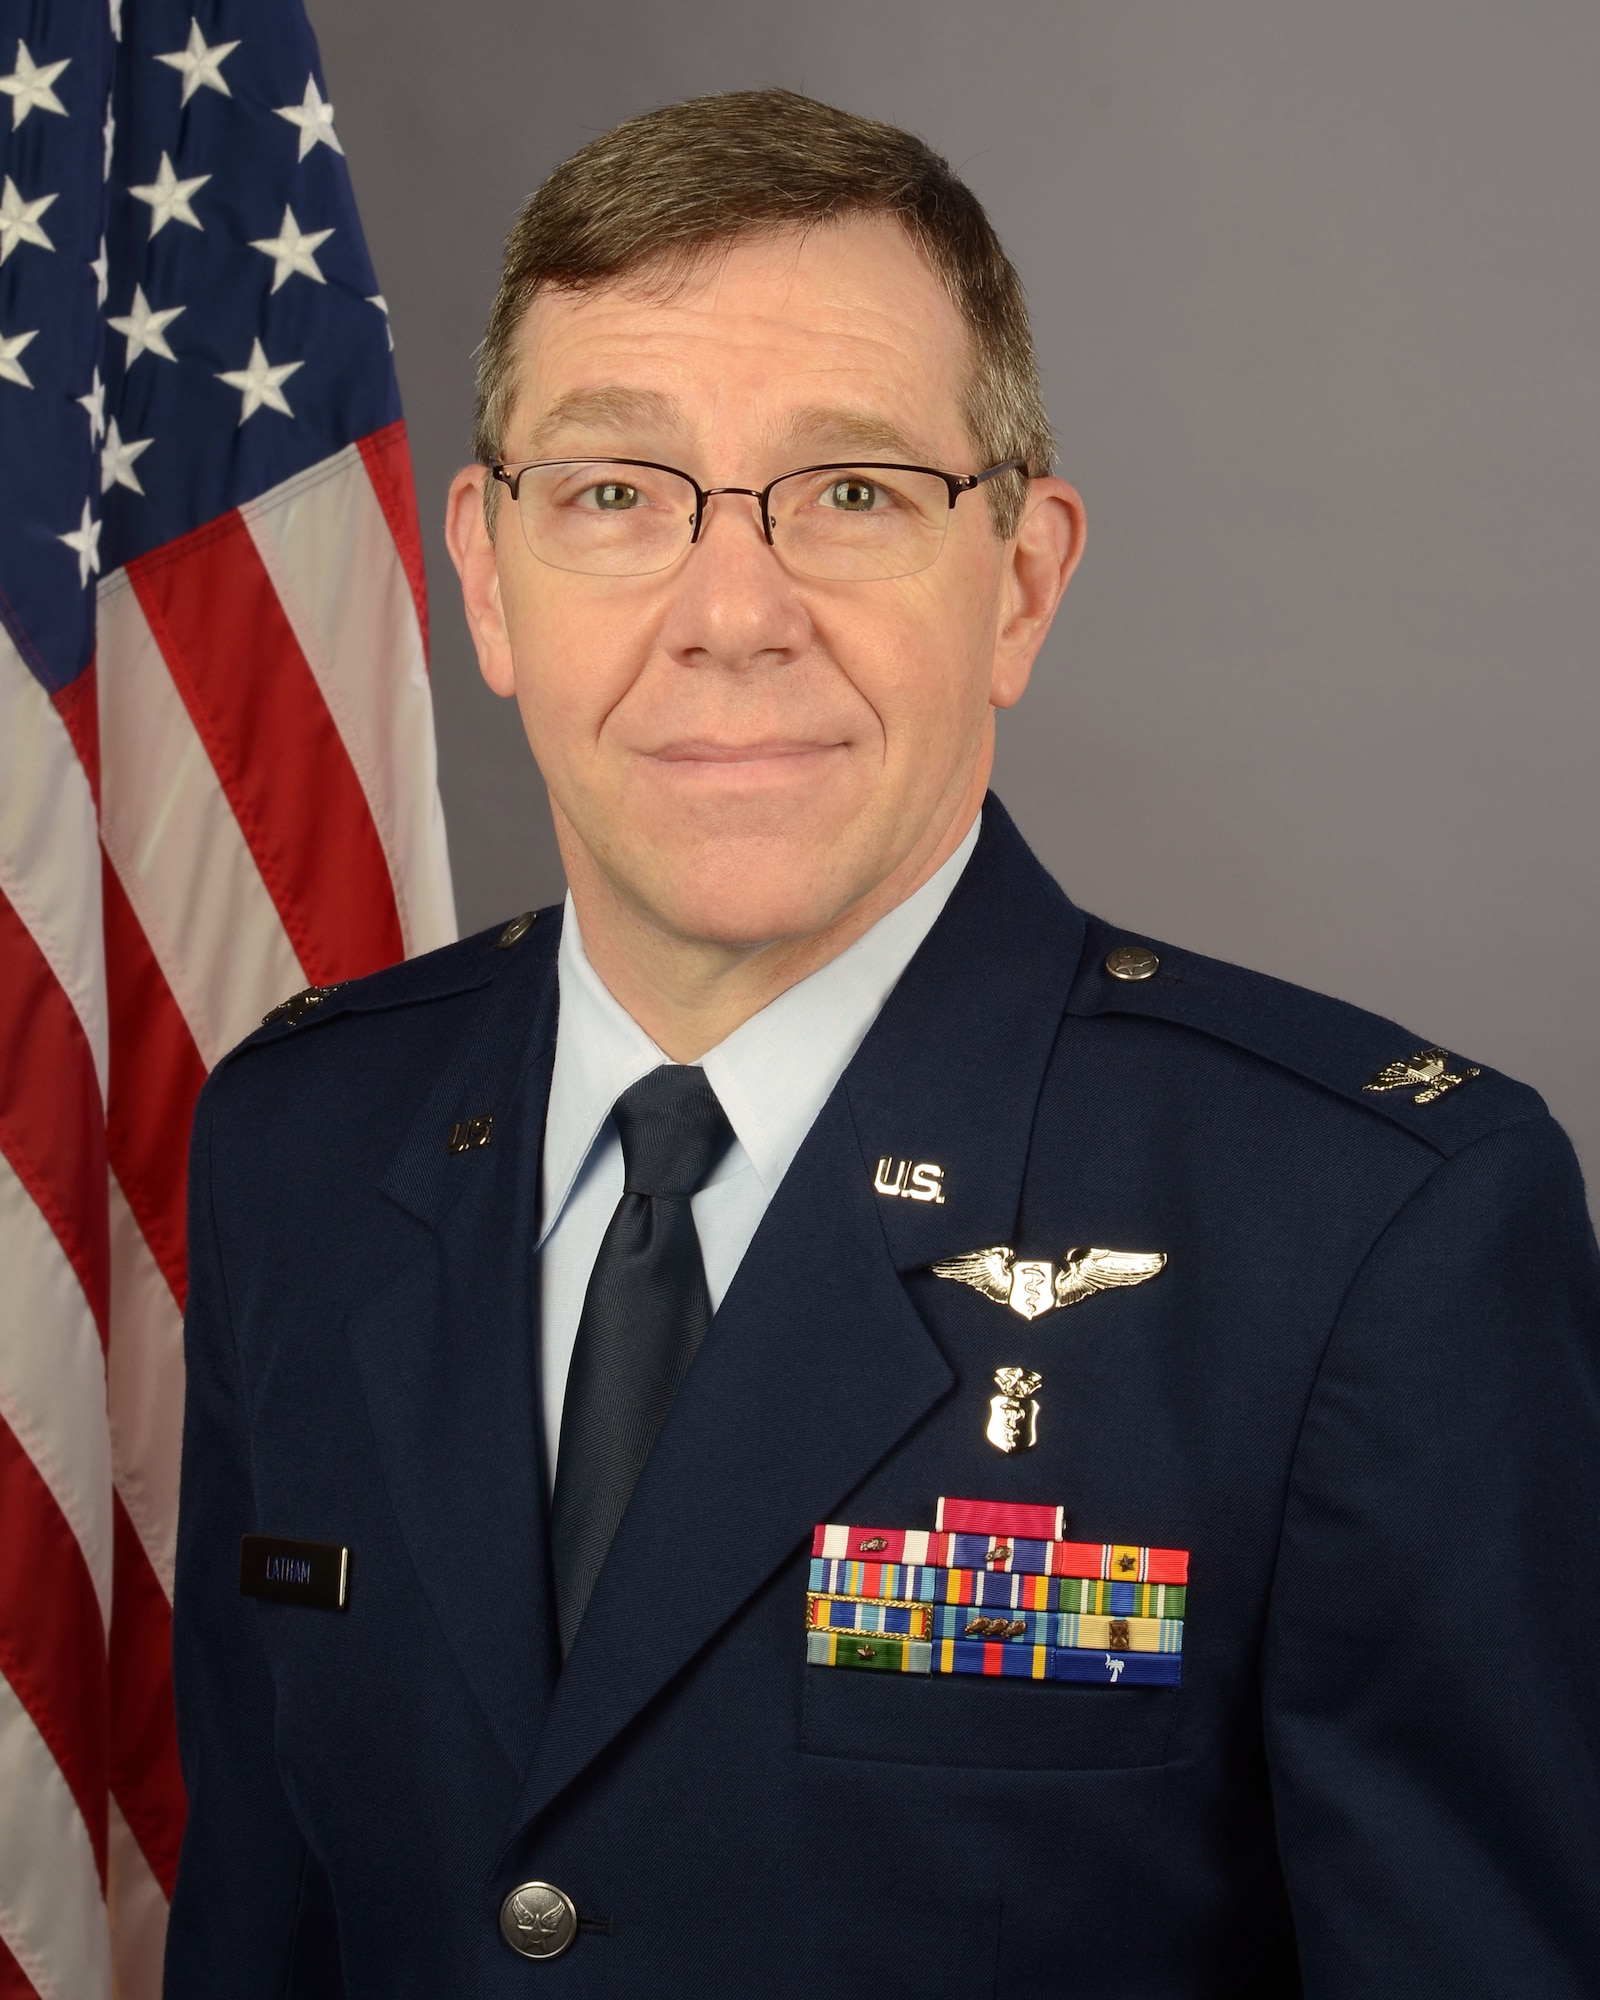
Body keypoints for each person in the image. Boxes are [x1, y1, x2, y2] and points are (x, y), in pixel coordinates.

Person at [164, 89, 1600, 1998]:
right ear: (487, 581)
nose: (731, 612)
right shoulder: (300, 1136)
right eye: (614, 491)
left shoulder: (1365, 1235)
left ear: (1019, 578)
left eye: (851, 491)